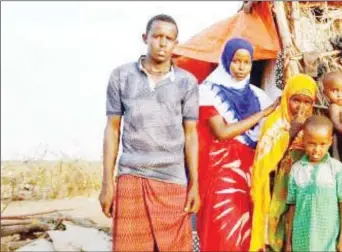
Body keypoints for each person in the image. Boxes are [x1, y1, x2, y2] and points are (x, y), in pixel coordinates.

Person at [99, 14, 200, 251]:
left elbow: (191, 135)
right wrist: (107, 183)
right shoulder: (121, 76)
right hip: (132, 176)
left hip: (173, 180)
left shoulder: (187, 83)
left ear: (176, 43)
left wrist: (194, 183)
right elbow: (112, 131)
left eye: (169, 38)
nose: (163, 43)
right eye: (157, 36)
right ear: (145, 38)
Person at [196, 37, 279, 252]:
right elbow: (222, 132)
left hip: (251, 175)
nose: (241, 67)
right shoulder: (208, 91)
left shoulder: (259, 96)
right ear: (225, 61)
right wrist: (262, 114)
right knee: (223, 231)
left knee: (249, 233)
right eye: (236, 61)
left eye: (247, 62)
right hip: (220, 174)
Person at [249, 74, 318, 252]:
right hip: (275, 191)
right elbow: (265, 165)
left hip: (303, 193)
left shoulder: (316, 124)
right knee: (274, 237)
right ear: (287, 97)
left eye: (307, 102)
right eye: (296, 100)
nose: (301, 107)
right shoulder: (275, 123)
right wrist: (294, 129)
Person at [285, 115, 342, 252]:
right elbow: (292, 207)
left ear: (330, 142)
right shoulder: (296, 169)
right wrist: (288, 242)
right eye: (311, 143)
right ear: (304, 140)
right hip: (301, 240)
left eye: (322, 144)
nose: (316, 150)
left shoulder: (336, 168)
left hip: (328, 240)